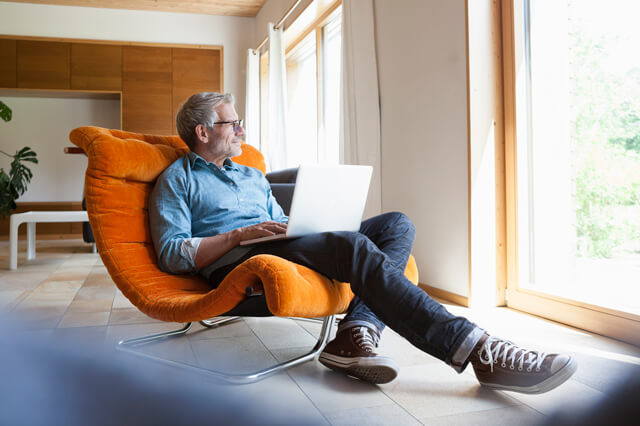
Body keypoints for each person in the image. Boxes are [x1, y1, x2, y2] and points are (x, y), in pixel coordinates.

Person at [149, 92, 577, 394]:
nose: (242, 128)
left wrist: (294, 225)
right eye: (232, 122)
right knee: (352, 246)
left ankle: (356, 330)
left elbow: (277, 221)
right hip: (238, 260)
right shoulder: (178, 180)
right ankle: (480, 351)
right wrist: (237, 235)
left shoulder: (251, 174)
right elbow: (172, 253)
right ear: (202, 132)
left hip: (278, 244)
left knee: (395, 224)